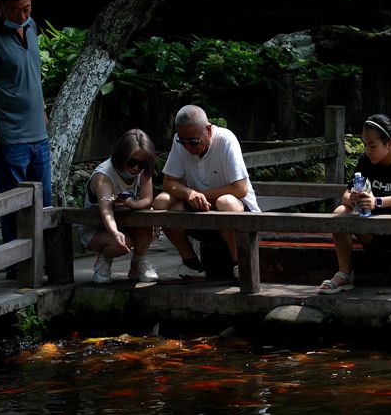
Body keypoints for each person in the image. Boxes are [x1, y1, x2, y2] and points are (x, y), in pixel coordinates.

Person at [0, 0, 52, 250]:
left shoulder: (30, 26)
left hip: (38, 134)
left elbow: (33, 73)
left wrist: (42, 110)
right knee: (12, 203)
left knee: (44, 201)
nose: (22, 15)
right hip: (10, 136)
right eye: (16, 9)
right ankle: (14, 264)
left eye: (27, 8)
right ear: (1, 6)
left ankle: (41, 258)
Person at [318, 113, 391, 297]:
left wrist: (377, 201)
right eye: (365, 145)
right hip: (375, 233)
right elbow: (345, 194)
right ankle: (345, 274)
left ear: (390, 143)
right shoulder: (366, 161)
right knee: (340, 211)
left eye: (372, 145)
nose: (367, 150)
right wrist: (353, 198)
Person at [151, 105, 260, 279]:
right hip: (200, 213)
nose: (187, 146)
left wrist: (201, 194)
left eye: (193, 141)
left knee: (226, 202)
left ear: (208, 130)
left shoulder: (226, 140)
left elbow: (240, 188)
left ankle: (239, 264)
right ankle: (191, 264)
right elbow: (169, 183)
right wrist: (188, 194)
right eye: (182, 141)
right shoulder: (181, 140)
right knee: (161, 202)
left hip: (237, 216)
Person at [78, 129, 159, 284]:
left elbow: (147, 200)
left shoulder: (143, 171)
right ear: (122, 156)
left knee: (148, 223)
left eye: (142, 164)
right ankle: (104, 260)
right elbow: (106, 211)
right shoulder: (104, 176)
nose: (136, 168)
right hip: (97, 228)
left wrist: (130, 203)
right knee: (122, 242)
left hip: (126, 221)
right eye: (132, 162)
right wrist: (115, 232)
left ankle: (138, 263)